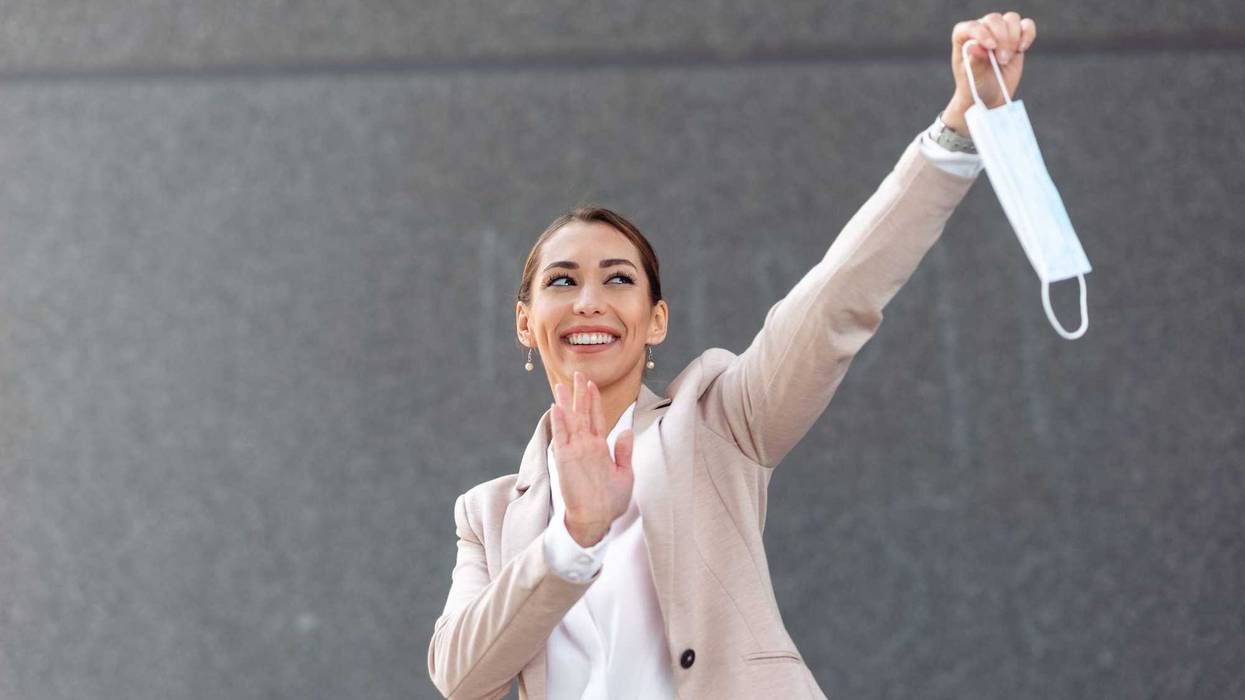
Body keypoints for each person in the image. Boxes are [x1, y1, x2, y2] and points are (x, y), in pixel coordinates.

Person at [428, 12, 1038, 700]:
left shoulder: (718, 419)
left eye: (618, 278)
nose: (589, 301)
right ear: (523, 322)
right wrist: (574, 535)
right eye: (561, 281)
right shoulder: (485, 514)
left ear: (655, 321)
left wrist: (959, 126)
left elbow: (836, 299)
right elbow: (461, 678)